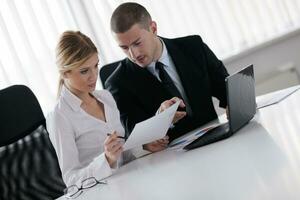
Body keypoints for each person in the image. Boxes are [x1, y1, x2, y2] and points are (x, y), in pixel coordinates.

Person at [46, 31, 181, 187]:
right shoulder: (59, 116)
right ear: (64, 73)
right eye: (84, 71)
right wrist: (107, 159)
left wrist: (144, 147)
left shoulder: (105, 98)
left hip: (128, 182)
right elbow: (71, 180)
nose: (93, 75)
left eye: (96, 66)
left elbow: (122, 153)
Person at [105, 2, 229, 142]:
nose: (134, 55)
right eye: (124, 48)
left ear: (153, 28)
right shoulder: (118, 83)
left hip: (217, 139)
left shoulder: (194, 47)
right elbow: (133, 136)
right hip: (170, 157)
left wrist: (232, 104)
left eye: (137, 43)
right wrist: (160, 119)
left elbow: (226, 88)